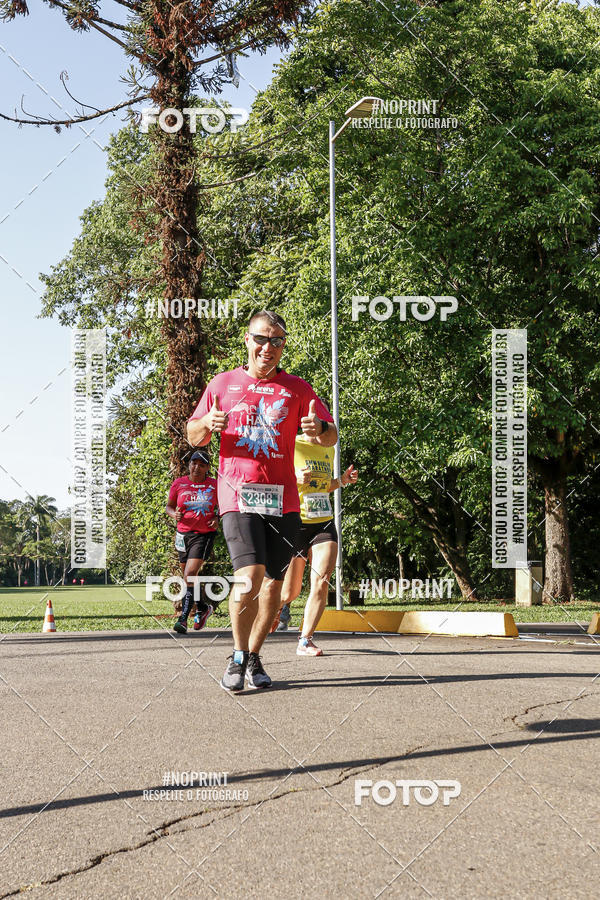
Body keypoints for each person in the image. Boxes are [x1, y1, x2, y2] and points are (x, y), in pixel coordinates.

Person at [187, 309, 337, 692]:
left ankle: (254, 656)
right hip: (237, 496)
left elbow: (330, 435)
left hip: (284, 501)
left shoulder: (298, 389)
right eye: (261, 339)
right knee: (249, 577)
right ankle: (237, 657)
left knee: (272, 586)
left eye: (276, 341)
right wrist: (207, 425)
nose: (267, 347)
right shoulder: (223, 384)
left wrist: (319, 429)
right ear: (247, 340)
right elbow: (192, 434)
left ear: (282, 346)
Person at [271, 430, 358, 655]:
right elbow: (272, 478)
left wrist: (342, 481)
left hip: (323, 523)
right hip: (296, 523)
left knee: (322, 580)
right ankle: (277, 607)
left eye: (320, 419)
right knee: (290, 591)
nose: (314, 423)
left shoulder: (328, 447)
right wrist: (294, 478)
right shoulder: (290, 443)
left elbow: (323, 485)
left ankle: (305, 640)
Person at [166, 450, 219, 634]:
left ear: (207, 468)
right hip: (183, 535)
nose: (196, 467)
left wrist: (218, 518)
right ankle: (203, 608)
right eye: (194, 463)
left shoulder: (214, 485)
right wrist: (175, 514)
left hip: (203, 535)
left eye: (202, 465)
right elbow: (169, 507)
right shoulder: (179, 483)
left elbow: (227, 505)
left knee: (189, 574)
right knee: (190, 578)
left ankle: (183, 620)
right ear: (189, 465)